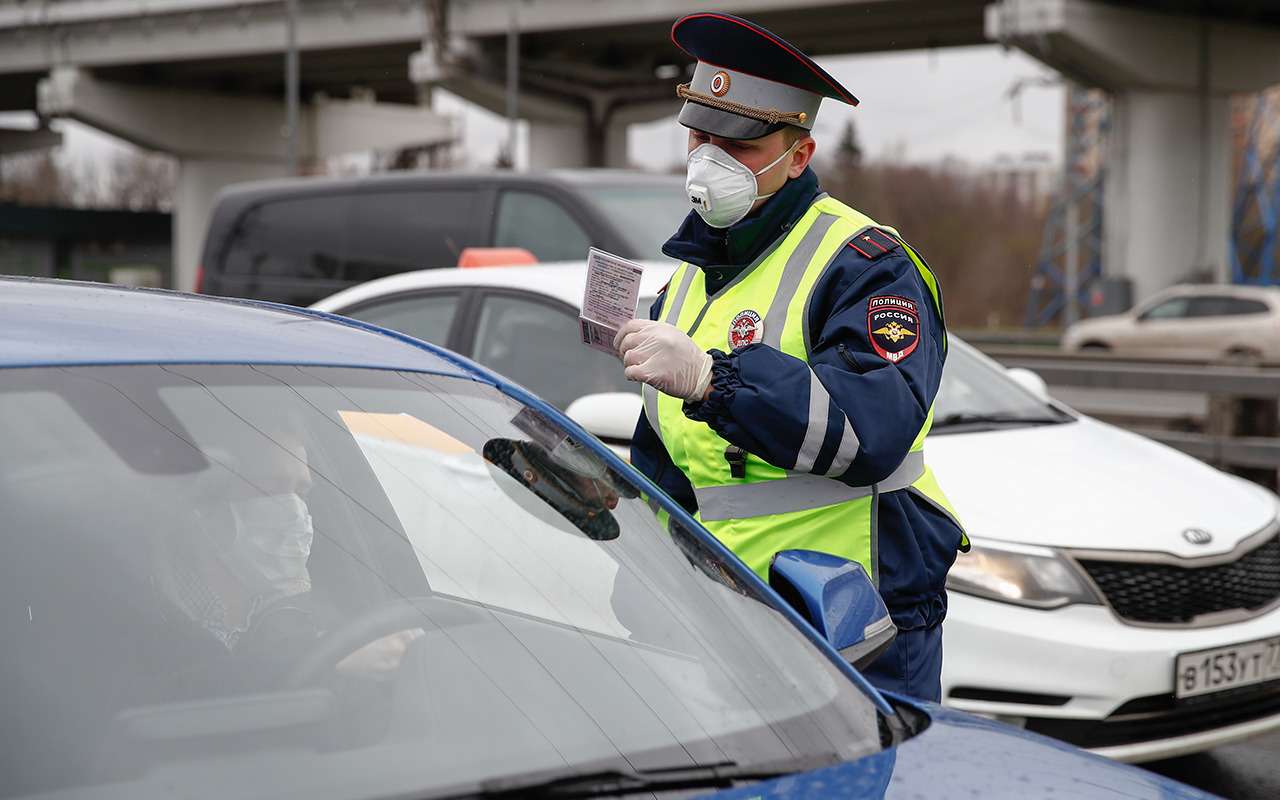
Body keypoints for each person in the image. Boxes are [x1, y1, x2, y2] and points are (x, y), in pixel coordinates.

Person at [613, 12, 969, 701]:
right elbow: (673, 459)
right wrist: (635, 556)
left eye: (738, 144)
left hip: (857, 618)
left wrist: (716, 380)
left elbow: (871, 429)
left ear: (798, 156)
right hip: (731, 615)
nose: (708, 158)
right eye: (700, 135)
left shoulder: (865, 264)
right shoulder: (686, 277)